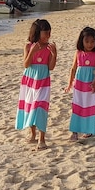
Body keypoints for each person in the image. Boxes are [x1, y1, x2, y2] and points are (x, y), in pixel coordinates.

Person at [16, 18, 56, 149]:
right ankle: (32, 134)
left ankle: (42, 138)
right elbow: (26, 64)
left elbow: (50, 67)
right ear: (37, 33)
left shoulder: (48, 47)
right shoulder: (28, 46)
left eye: (50, 33)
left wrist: (54, 54)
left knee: (41, 108)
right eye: (46, 33)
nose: (48, 36)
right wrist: (32, 51)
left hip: (43, 81)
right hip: (29, 81)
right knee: (30, 107)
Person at [66, 26, 95, 141]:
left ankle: (88, 129)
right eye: (87, 41)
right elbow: (73, 69)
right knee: (77, 106)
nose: (90, 44)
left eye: (92, 41)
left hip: (91, 84)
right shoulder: (78, 53)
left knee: (89, 107)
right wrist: (69, 83)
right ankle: (75, 131)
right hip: (79, 84)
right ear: (81, 41)